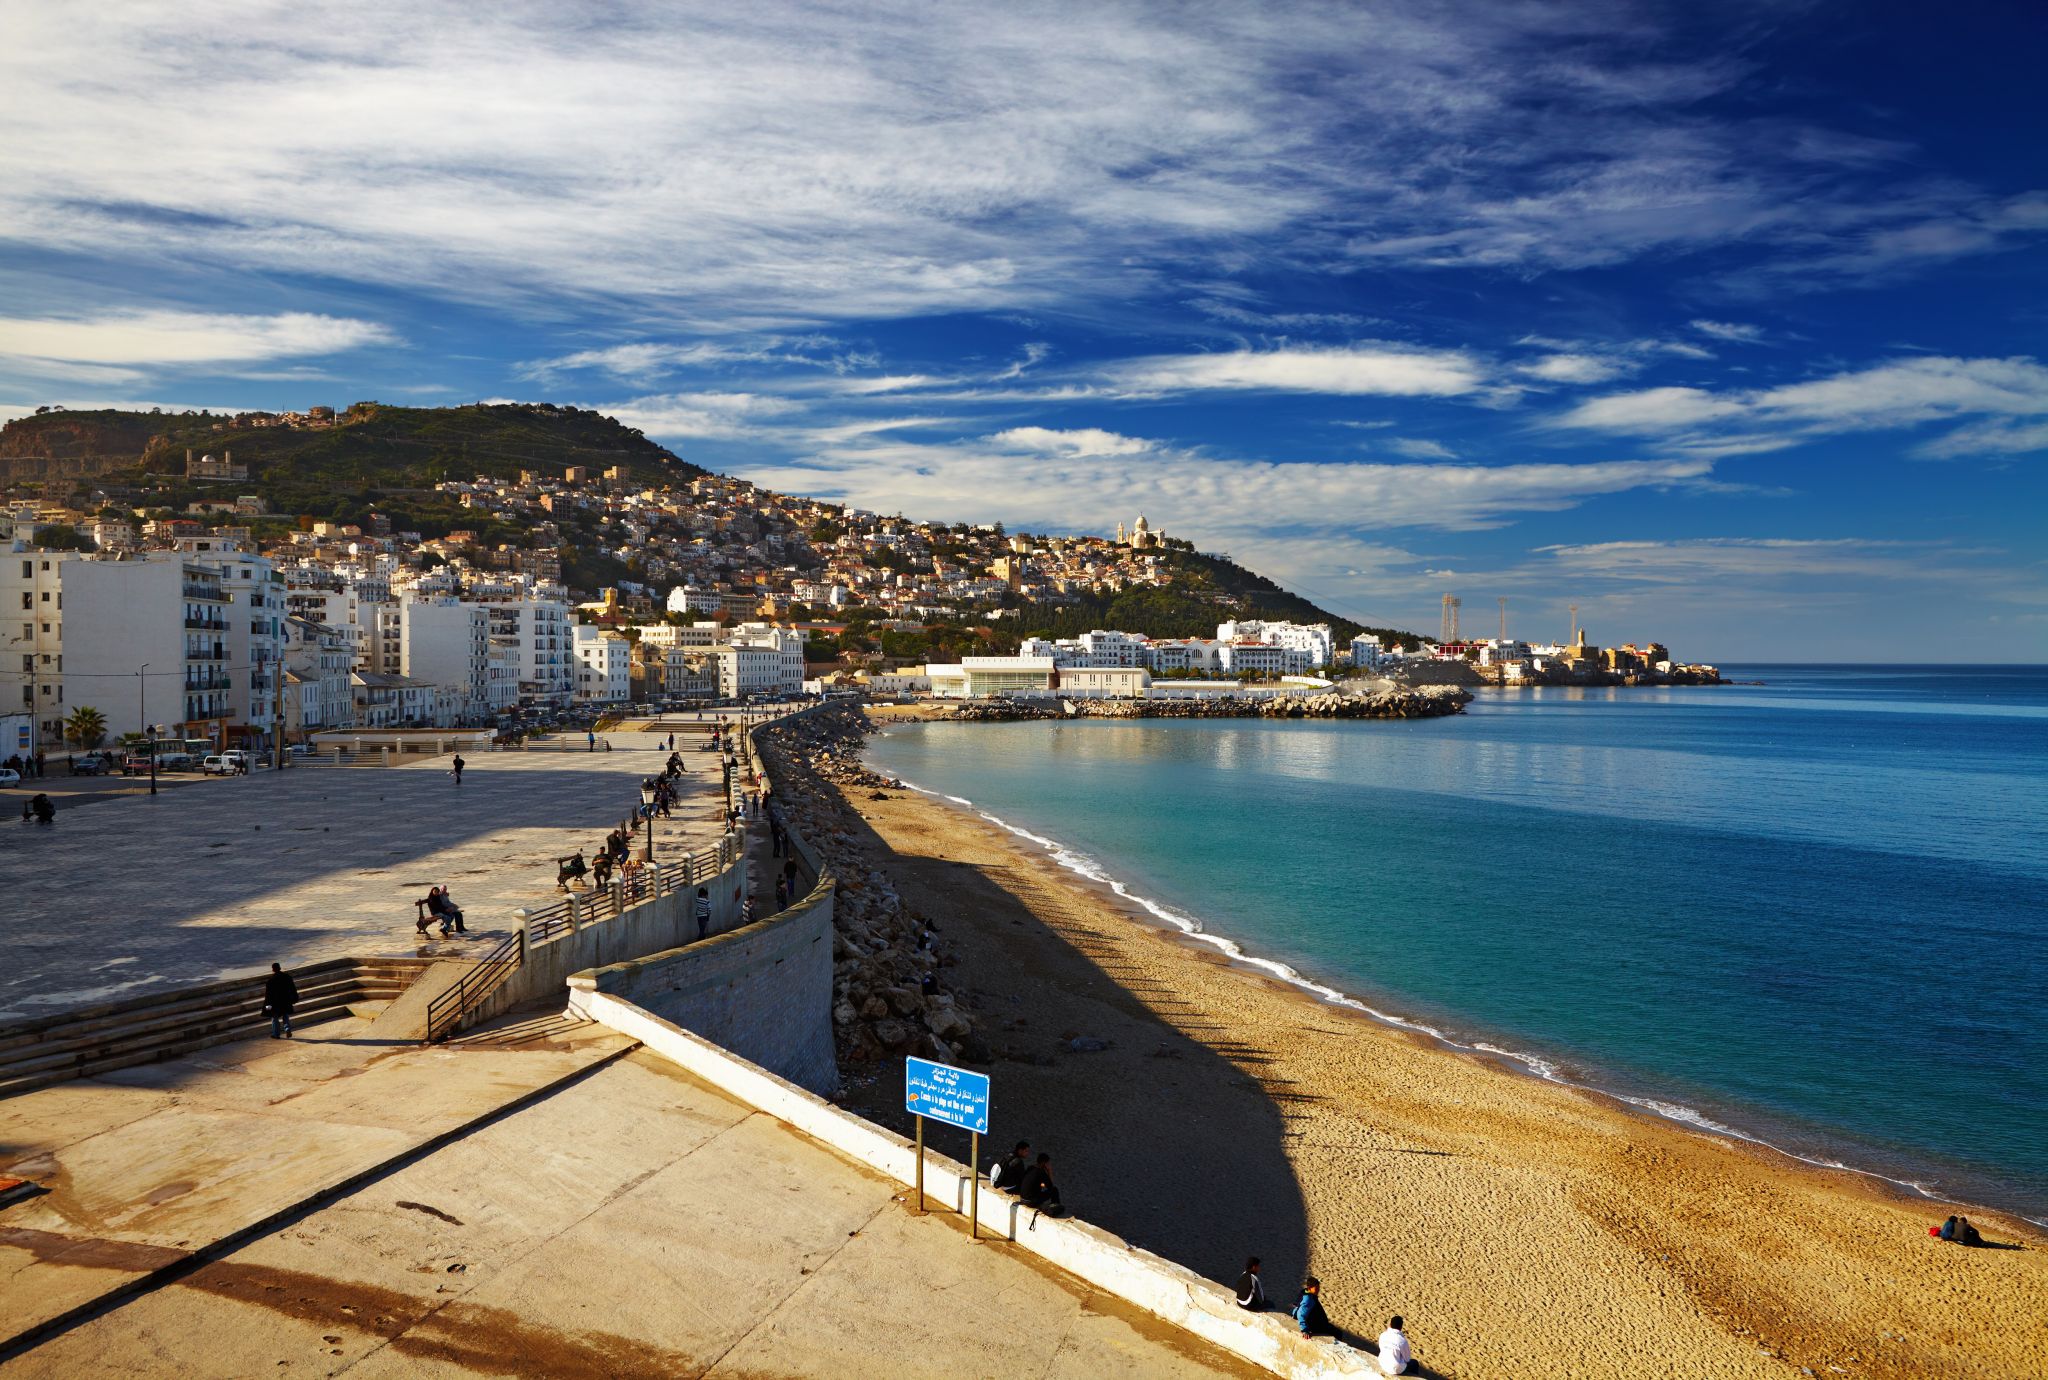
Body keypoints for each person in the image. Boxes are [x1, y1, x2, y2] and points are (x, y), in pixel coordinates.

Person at [263, 962, 298, 1040]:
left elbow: (268, 995)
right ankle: (287, 1029)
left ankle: (276, 1034)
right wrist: (294, 998)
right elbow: (293, 988)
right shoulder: (287, 977)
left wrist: (267, 1005)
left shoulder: (270, 981)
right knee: (285, 1015)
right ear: (280, 968)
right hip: (285, 1001)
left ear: (273, 970)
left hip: (275, 1003)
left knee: (274, 1018)